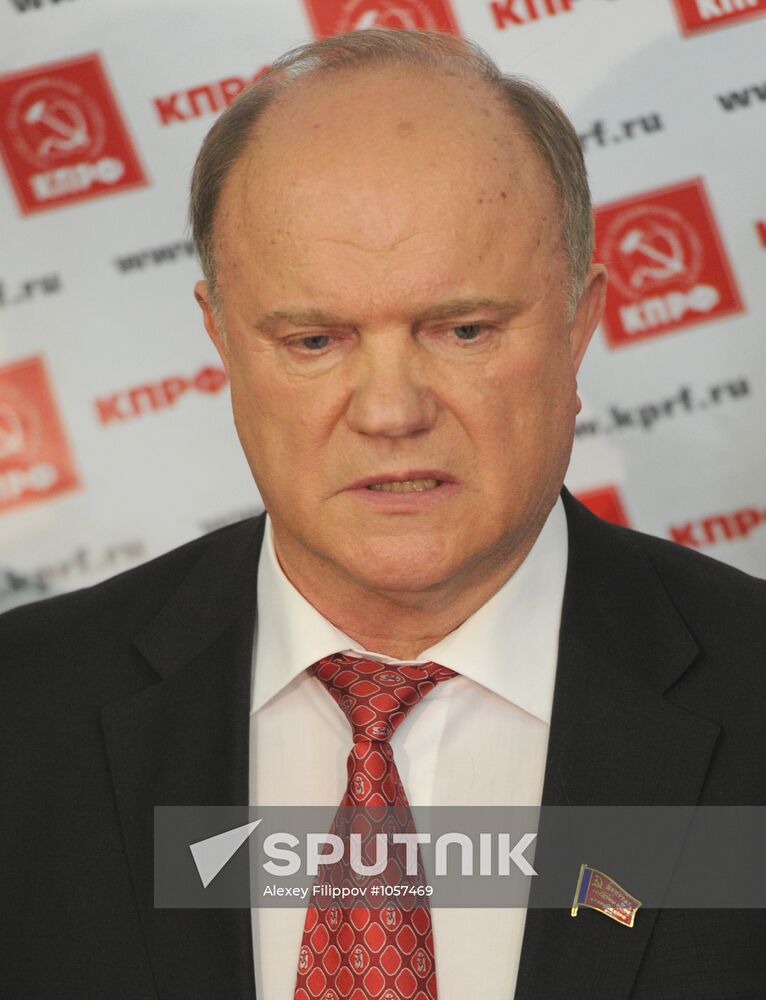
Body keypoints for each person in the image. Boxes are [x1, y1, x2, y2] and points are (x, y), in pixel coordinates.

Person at [2, 28, 765, 1000]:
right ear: (222, 341)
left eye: (463, 330)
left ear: (580, 322)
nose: (391, 410)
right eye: (315, 339)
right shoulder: (23, 715)